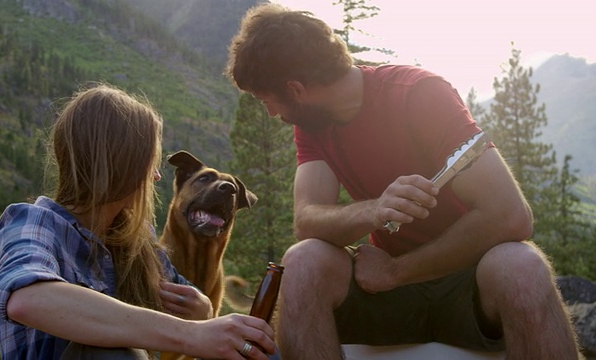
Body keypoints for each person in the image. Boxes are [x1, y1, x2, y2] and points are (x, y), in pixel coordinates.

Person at [225, 3, 580, 360]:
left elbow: (509, 215)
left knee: (521, 266)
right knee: (303, 262)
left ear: (296, 89)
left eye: (266, 100)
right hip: (387, 294)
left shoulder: (419, 94)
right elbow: (307, 220)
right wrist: (373, 211)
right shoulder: (312, 124)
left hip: (468, 285)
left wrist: (397, 271)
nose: (272, 112)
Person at [0, 83, 276, 360]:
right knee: (113, 353)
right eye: (151, 163)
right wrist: (190, 333)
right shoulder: (33, 223)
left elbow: (193, 302)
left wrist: (203, 309)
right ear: (123, 164)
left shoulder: (139, 244)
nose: (157, 177)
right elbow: (27, 299)